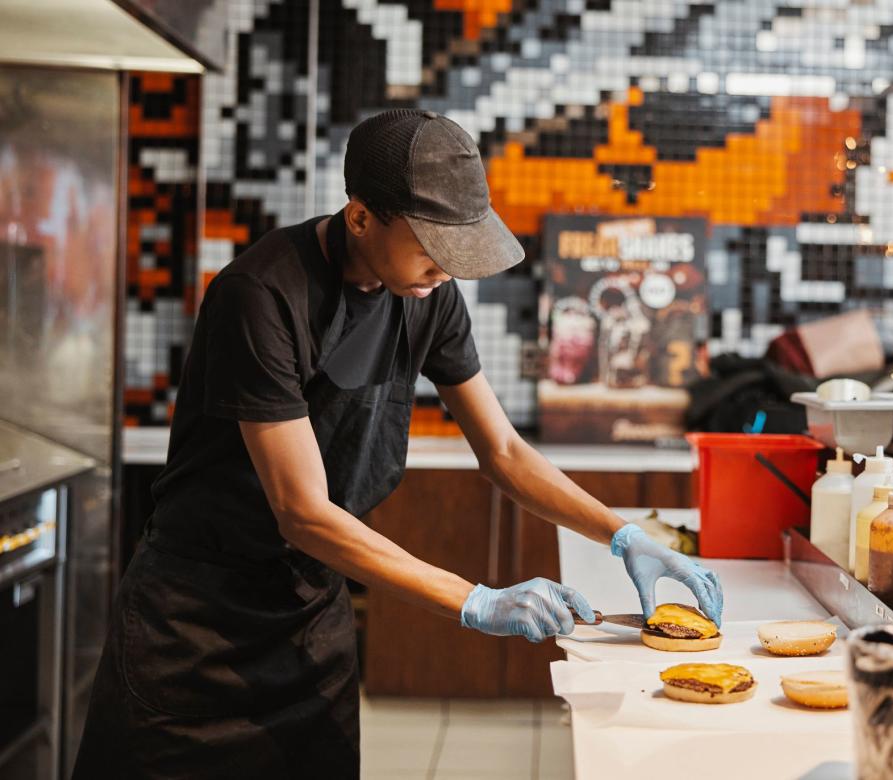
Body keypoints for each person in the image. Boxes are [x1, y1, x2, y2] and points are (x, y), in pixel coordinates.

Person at [72, 109, 723, 778]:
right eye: (432, 245)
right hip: (194, 626)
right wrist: (476, 601)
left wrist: (622, 535)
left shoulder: (427, 295)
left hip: (307, 617)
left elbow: (502, 450)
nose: (448, 268)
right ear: (360, 217)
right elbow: (302, 511)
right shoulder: (262, 295)